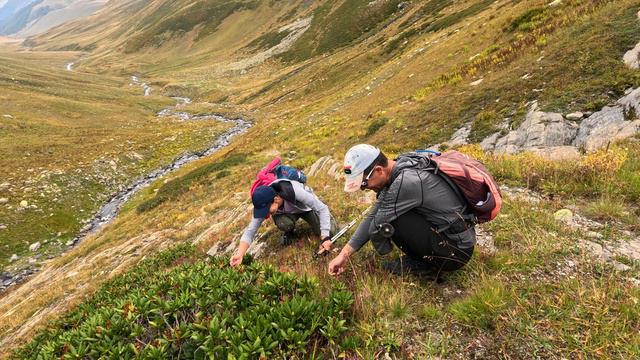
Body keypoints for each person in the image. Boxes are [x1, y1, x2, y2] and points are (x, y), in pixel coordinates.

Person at [328, 144, 476, 278]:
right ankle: (427, 256)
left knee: (391, 220)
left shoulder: (406, 182)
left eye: (364, 184)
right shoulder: (401, 166)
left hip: (455, 254)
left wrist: (384, 249)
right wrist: (344, 255)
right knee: (389, 215)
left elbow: (376, 224)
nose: (364, 188)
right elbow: (374, 214)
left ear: (379, 170)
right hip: (459, 241)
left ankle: (428, 265)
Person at [230, 178, 337, 267]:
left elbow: (322, 209)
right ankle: (289, 231)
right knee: (284, 223)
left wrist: (325, 237)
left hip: (306, 209)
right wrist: (240, 254)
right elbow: (250, 231)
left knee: (331, 232)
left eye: (267, 210)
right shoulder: (264, 201)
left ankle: (328, 224)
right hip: (286, 213)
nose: (265, 214)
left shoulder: (295, 192)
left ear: (276, 199)